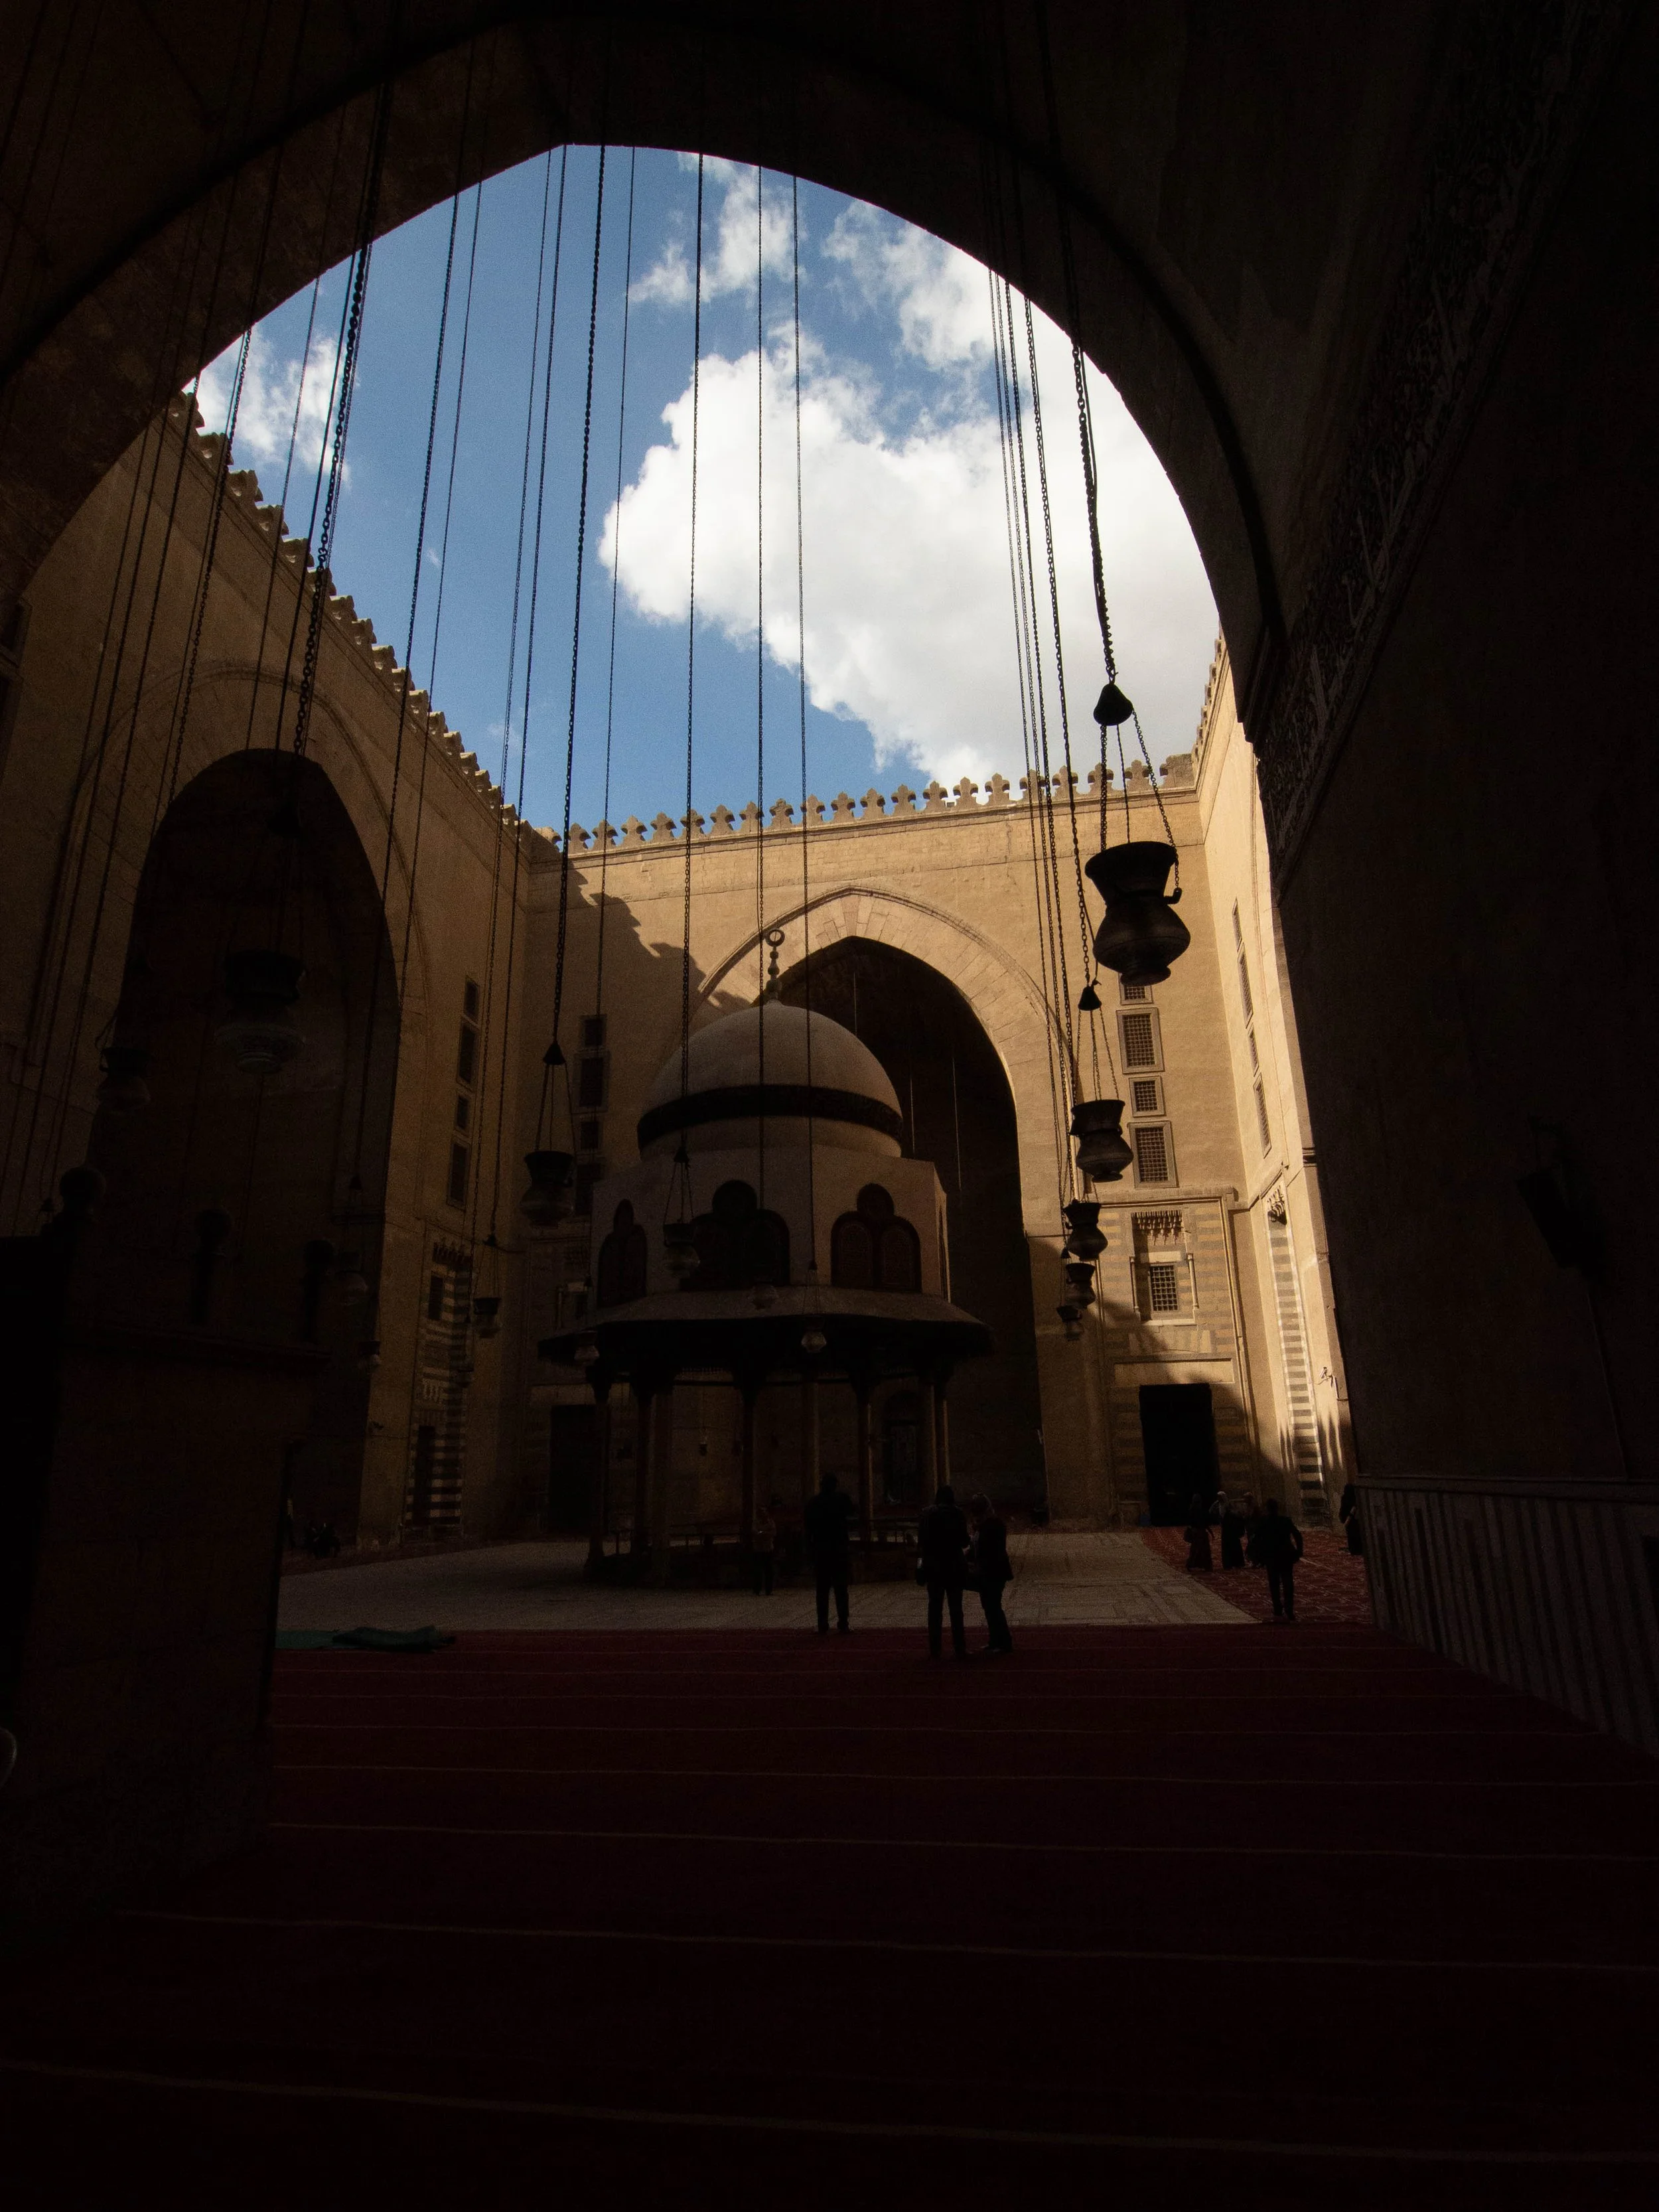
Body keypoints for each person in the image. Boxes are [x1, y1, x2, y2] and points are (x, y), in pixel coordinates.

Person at [918, 1483, 971, 1659]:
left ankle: (935, 1648)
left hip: (934, 1567)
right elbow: (964, 1541)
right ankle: (959, 1647)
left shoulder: (927, 1515)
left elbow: (922, 1542)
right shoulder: (958, 1514)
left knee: (935, 1608)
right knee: (956, 1609)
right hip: (954, 1566)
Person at [803, 1472, 854, 1635]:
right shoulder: (841, 1500)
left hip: (821, 1550)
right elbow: (853, 1512)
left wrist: (809, 1550)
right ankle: (843, 1623)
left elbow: (808, 1528)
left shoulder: (814, 1503)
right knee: (841, 1589)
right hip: (839, 1550)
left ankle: (823, 1623)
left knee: (822, 1590)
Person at [967, 1493, 1014, 1655]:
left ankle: (1004, 1642)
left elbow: (991, 1551)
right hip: (987, 1572)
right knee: (989, 1607)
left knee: (993, 1607)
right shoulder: (983, 1526)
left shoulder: (994, 1525)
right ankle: (995, 1641)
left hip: (994, 1573)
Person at [1257, 1497, 1305, 1622]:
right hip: (1285, 1555)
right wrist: (1299, 1552)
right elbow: (1298, 1535)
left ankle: (1278, 1608)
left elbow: (1258, 1540)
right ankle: (1289, 1609)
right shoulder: (1285, 1521)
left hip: (1272, 1556)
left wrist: (1260, 1556)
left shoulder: (1264, 1522)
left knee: (1274, 1583)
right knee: (1288, 1582)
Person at [751, 1499, 777, 1594]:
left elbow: (773, 1533)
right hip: (758, 1549)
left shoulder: (770, 1522)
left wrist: (763, 1533)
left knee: (769, 1570)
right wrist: (764, 1534)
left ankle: (768, 1590)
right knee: (758, 1571)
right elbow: (755, 1533)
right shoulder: (756, 1523)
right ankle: (757, 1589)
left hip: (768, 1548)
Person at [1183, 1492, 1213, 1573]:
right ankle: (1198, 1565)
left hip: (1199, 1533)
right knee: (1199, 1550)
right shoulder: (1196, 1511)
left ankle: (1198, 1565)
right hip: (1199, 1533)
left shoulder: (1195, 1510)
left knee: (1198, 1550)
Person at [1219, 1489, 1247, 1571]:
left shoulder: (1229, 1507)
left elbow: (1235, 1516)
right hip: (1226, 1529)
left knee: (1234, 1546)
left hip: (1230, 1529)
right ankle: (1229, 1564)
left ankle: (1236, 1563)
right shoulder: (1219, 1505)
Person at [1340, 1481, 1364, 1556]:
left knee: (1352, 1535)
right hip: (1353, 1519)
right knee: (1355, 1535)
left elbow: (1343, 1509)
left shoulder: (1346, 1498)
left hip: (1351, 1519)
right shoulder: (1353, 1498)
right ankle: (1358, 1550)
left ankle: (1354, 1550)